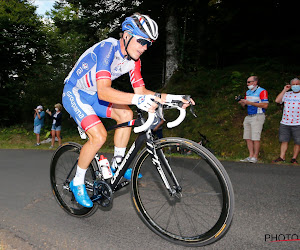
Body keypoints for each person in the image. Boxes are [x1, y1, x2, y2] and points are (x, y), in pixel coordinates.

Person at [62, 13, 194, 207]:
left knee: (126, 113)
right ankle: (78, 181)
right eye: (141, 41)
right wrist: (137, 99)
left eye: (148, 44)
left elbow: (141, 91)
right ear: (126, 35)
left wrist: (173, 98)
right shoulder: (108, 48)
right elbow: (105, 91)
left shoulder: (134, 60)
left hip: (95, 95)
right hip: (75, 92)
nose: (144, 47)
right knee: (98, 136)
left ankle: (118, 164)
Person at [238, 76, 268, 163]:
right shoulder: (248, 92)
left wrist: (250, 103)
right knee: (247, 137)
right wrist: (242, 102)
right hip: (249, 115)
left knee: (255, 137)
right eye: (247, 82)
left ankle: (255, 156)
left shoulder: (262, 91)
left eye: (249, 82)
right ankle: (250, 155)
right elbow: (246, 105)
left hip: (258, 116)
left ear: (255, 82)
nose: (247, 84)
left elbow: (265, 105)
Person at [272, 78, 300, 164]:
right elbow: (277, 100)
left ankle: (294, 158)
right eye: (293, 84)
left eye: (297, 84)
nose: (295, 86)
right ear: (291, 86)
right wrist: (284, 90)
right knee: (284, 140)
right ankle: (282, 157)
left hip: (298, 122)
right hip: (285, 122)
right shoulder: (287, 94)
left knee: (298, 141)